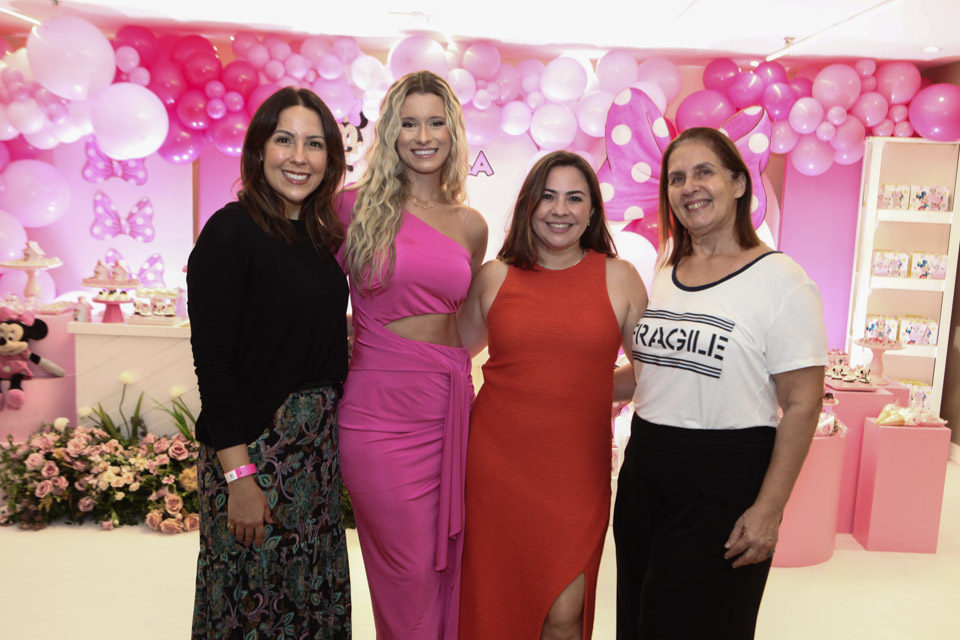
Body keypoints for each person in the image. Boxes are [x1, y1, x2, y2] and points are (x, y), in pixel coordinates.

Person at [613, 127, 827, 639]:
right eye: (676, 178)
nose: (689, 187)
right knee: (639, 618)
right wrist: (555, 381)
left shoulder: (782, 279)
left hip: (726, 476)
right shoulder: (667, 267)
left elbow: (802, 402)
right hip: (646, 467)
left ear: (738, 182)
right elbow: (650, 374)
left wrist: (770, 509)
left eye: (703, 171)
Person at [457, 150, 648, 640]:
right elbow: (450, 356)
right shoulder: (494, 277)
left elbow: (650, 372)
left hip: (575, 471)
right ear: (528, 205)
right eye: (548, 196)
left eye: (574, 198)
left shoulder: (619, 276)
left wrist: (579, 387)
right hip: (495, 468)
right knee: (498, 605)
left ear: (592, 211)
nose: (560, 210)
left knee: (565, 613)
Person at [188, 87, 351, 639]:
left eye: (313, 144)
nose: (298, 157)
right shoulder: (230, 231)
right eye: (284, 140)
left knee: (311, 605)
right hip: (259, 454)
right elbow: (213, 364)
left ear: (331, 157)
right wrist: (239, 477)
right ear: (259, 150)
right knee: (252, 610)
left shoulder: (317, 236)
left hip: (315, 465)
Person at [335, 70, 488, 639]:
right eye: (408, 122)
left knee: (446, 563)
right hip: (377, 414)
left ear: (452, 132)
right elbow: (307, 295)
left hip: (448, 406)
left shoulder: (471, 225)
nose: (423, 135)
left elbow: (467, 322)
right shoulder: (350, 209)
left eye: (435, 121)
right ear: (391, 133)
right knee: (405, 570)